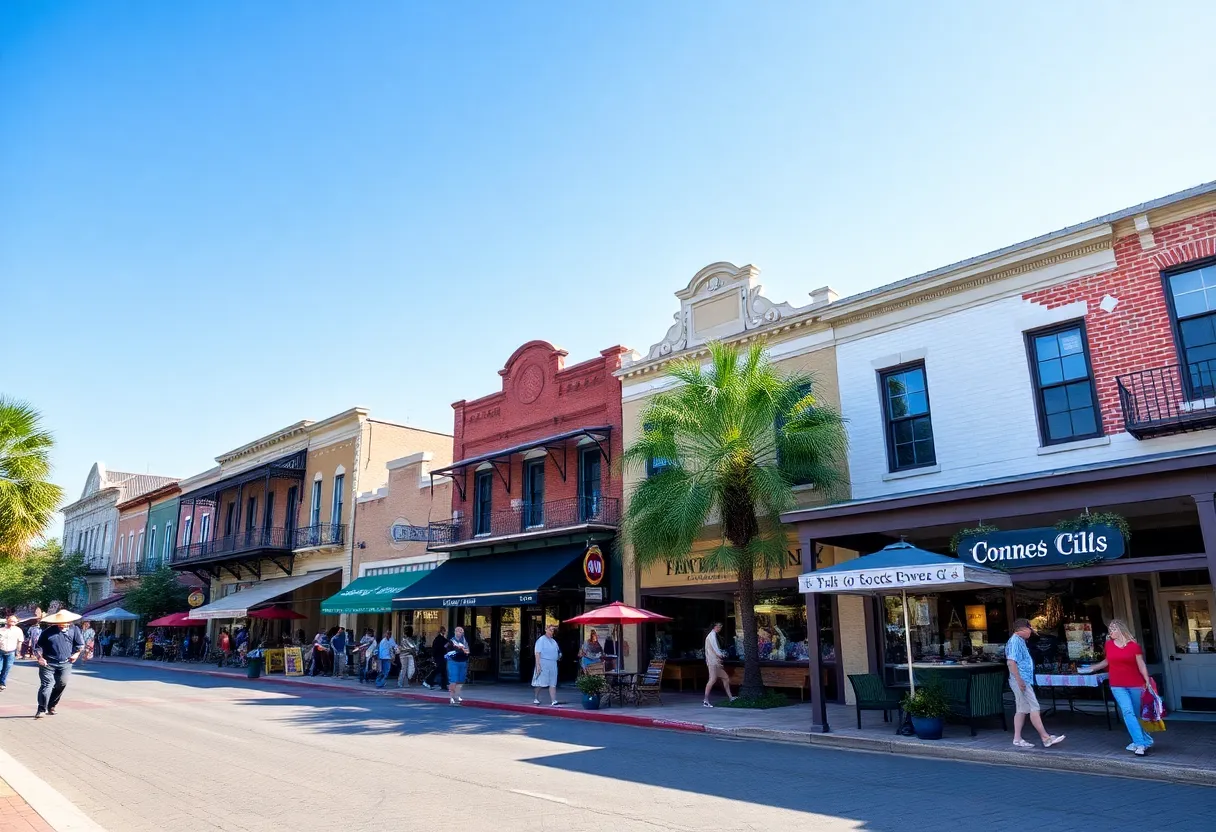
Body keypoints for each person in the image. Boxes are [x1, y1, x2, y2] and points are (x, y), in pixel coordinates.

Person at [1081, 619, 1156, 756]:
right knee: (1127, 712)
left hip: (1135, 684)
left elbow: (1141, 664)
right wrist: (1091, 668)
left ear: (1121, 630)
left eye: (1113, 629)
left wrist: (1147, 680)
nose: (1110, 632)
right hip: (1117, 684)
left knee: (1137, 714)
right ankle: (1139, 743)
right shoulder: (1109, 645)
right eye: (1109, 630)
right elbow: (1107, 661)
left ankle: (1145, 740)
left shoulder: (1134, 646)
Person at [1006, 618, 1065, 749]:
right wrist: (1019, 680)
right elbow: (1011, 662)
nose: (1030, 633)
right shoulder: (1016, 642)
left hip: (1022, 680)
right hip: (1022, 680)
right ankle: (1045, 738)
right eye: (1029, 630)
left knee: (1021, 709)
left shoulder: (1019, 641)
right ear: (1023, 629)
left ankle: (1017, 738)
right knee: (1034, 707)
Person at [34, 609, 85, 718]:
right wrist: (40, 658)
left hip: (65, 663)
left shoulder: (74, 630)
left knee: (62, 684)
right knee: (46, 685)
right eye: (60, 622)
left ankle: (52, 705)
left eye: (65, 621)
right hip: (48, 663)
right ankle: (41, 709)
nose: (63, 624)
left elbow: (80, 645)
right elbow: (37, 647)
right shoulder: (47, 632)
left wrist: (76, 654)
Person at [703, 622, 736, 707]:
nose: (719, 629)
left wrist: (720, 654)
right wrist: (720, 654)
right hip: (713, 661)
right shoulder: (711, 635)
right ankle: (705, 700)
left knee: (725, 678)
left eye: (720, 627)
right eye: (718, 627)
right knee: (712, 679)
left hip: (716, 662)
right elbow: (715, 647)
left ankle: (731, 697)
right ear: (714, 627)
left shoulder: (713, 635)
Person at [532, 623, 561, 707]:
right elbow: (537, 653)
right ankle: (536, 697)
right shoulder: (541, 640)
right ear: (546, 630)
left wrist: (559, 655)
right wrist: (538, 665)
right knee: (540, 682)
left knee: (553, 682)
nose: (552, 632)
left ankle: (553, 700)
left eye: (553, 630)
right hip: (543, 662)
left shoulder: (553, 641)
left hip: (553, 662)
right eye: (550, 630)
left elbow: (558, 651)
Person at [446, 626, 470, 705]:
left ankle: (457, 696)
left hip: (463, 662)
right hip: (453, 662)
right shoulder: (451, 641)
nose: (460, 633)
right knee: (453, 680)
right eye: (458, 631)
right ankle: (452, 697)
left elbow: (467, 651)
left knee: (460, 680)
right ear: (455, 632)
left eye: (461, 631)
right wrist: (460, 650)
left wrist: (463, 650)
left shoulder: (464, 641)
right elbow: (449, 651)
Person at [1, 614, 24, 691]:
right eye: (11, 620)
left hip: (11, 652)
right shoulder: (1, 630)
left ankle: (2, 683)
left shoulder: (18, 631)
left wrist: (18, 652)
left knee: (6, 668)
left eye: (14, 621)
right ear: (7, 620)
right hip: (1, 651)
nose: (13, 622)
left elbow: (19, 642)